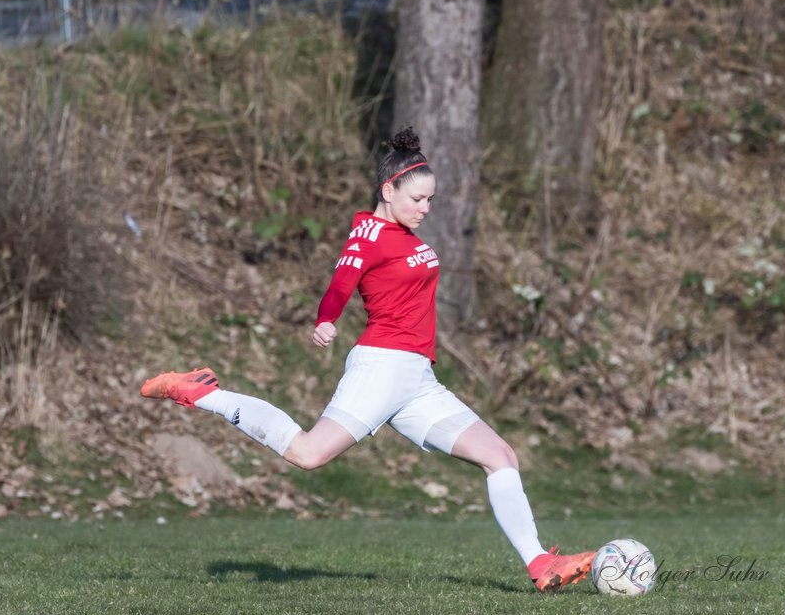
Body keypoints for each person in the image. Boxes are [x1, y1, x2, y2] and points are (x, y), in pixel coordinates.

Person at [140, 128, 594, 591]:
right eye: (418, 198)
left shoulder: (401, 232)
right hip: (383, 365)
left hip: (415, 377)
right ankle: (201, 392)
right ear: (388, 190)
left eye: (431, 199)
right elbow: (342, 280)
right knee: (308, 453)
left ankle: (541, 566)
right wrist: (326, 318)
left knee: (500, 455)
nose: (426, 208)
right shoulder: (369, 233)